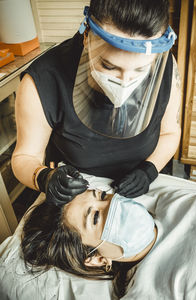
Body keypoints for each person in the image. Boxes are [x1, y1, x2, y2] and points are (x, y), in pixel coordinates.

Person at [11, 0, 181, 206]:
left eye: (140, 70)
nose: (125, 82)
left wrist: (149, 170)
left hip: (143, 185)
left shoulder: (167, 68)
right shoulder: (43, 80)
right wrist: (44, 177)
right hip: (80, 190)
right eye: (109, 66)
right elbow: (24, 156)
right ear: (87, 38)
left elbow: (170, 132)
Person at [21, 189, 157, 299]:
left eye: (102, 196)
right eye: (96, 217)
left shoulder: (164, 199)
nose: (113, 205)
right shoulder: (152, 293)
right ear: (96, 258)